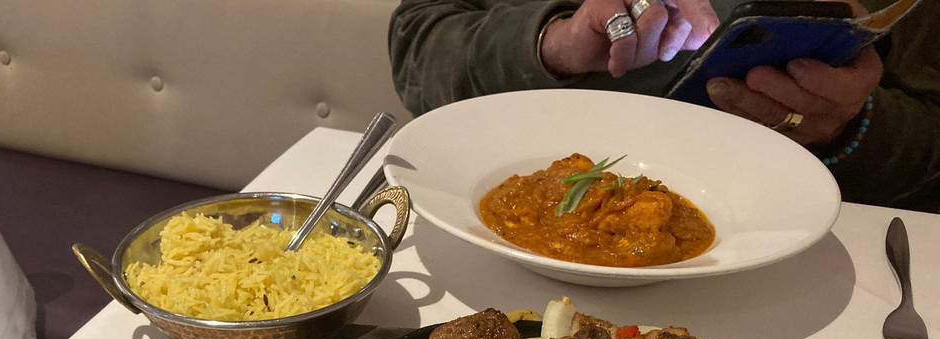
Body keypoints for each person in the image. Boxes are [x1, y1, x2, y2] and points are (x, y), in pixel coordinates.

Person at [389, 0, 939, 212]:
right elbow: (419, 44)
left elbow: (929, 153)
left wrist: (849, 127)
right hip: (488, 220)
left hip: (802, 259)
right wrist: (551, 42)